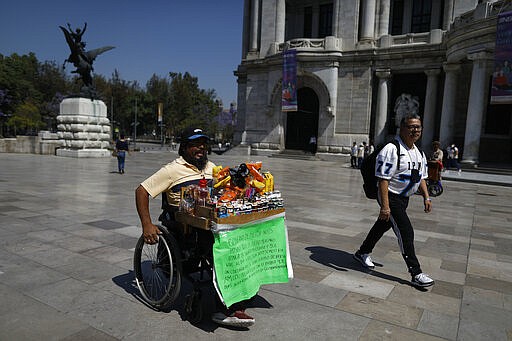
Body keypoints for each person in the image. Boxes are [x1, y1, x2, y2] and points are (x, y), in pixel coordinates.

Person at [134, 127, 256, 328]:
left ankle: (239, 291)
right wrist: (147, 224)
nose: (200, 148)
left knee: (245, 240)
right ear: (184, 147)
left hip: (210, 224)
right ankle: (226, 310)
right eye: (194, 144)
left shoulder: (211, 167)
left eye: (203, 144)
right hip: (184, 230)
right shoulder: (172, 170)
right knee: (223, 250)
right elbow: (142, 191)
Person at [353, 113, 435, 288]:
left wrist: (426, 197)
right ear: (402, 129)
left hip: (404, 199)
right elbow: (383, 179)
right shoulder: (392, 149)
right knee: (406, 231)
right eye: (411, 127)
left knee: (382, 226)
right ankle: (416, 272)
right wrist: (385, 206)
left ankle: (362, 252)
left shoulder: (419, 152)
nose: (415, 130)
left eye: (418, 127)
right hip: (390, 196)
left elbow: (421, 178)